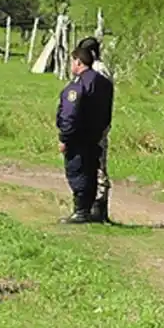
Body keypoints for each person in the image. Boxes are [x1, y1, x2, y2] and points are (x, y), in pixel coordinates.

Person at [56, 47, 114, 224]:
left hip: (78, 137)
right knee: (91, 172)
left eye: (72, 61)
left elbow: (69, 114)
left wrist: (65, 138)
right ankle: (90, 210)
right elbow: (107, 113)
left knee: (78, 172)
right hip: (95, 137)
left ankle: (81, 211)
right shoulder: (105, 84)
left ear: (78, 62)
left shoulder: (78, 86)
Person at [77, 36, 114, 223]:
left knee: (98, 164)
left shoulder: (98, 71)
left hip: (96, 125)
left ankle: (99, 207)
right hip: (97, 124)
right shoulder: (99, 70)